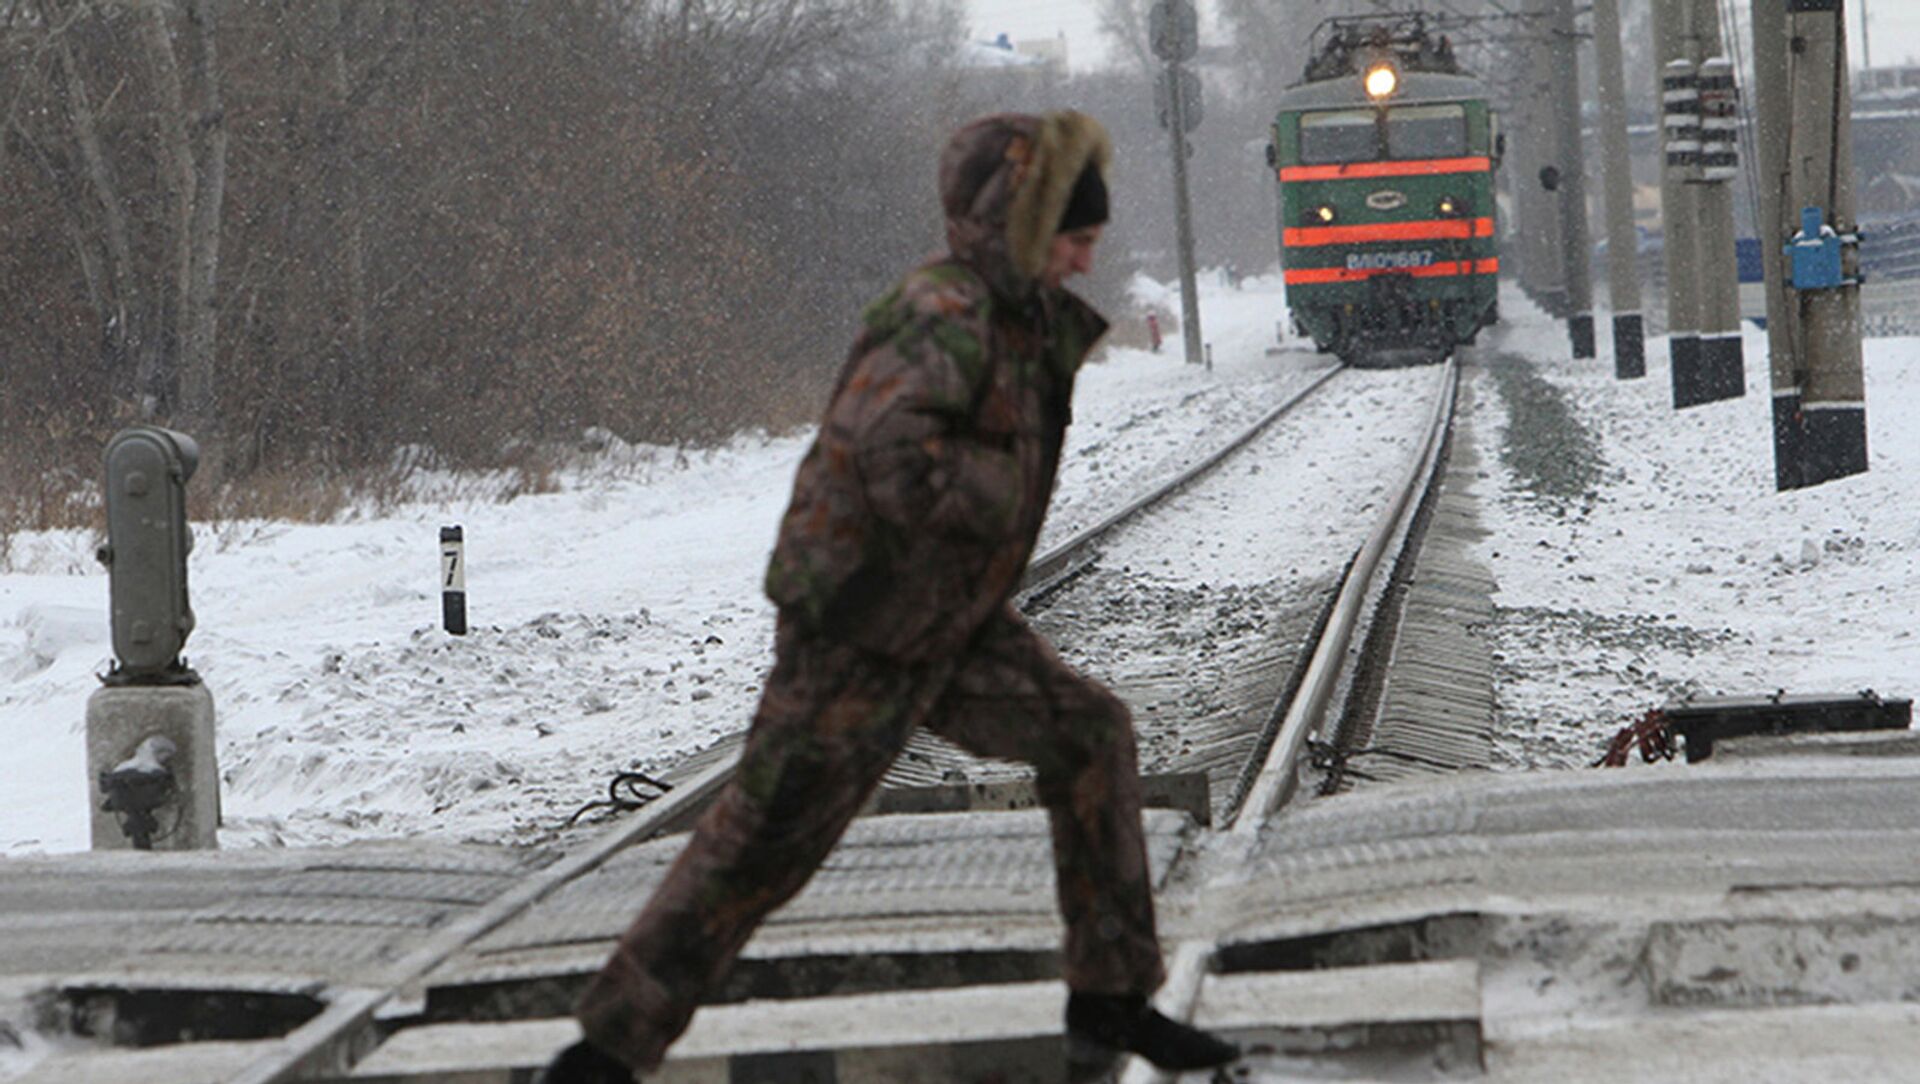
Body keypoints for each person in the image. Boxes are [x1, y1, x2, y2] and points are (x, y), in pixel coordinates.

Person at [541, 111, 1241, 1084]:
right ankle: (600, 1058)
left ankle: (1110, 999)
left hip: (948, 622)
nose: (1088, 261)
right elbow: (887, 455)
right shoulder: (941, 314)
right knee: (762, 844)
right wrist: (990, 500)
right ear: (1031, 231)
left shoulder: (1016, 319)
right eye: (1077, 238)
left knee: (1091, 733)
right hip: (860, 630)